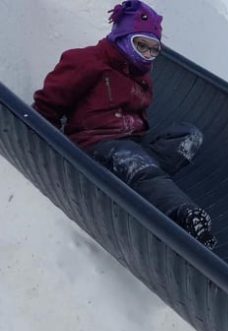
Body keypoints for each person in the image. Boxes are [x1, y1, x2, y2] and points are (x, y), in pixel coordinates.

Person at [33, 1, 217, 249]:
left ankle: (143, 175)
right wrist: (48, 144)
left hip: (133, 144)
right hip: (95, 144)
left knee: (188, 136)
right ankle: (184, 215)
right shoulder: (86, 61)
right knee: (134, 160)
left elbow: (139, 118)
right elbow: (49, 102)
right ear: (122, 36)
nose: (147, 55)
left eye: (153, 50)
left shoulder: (141, 76)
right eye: (141, 45)